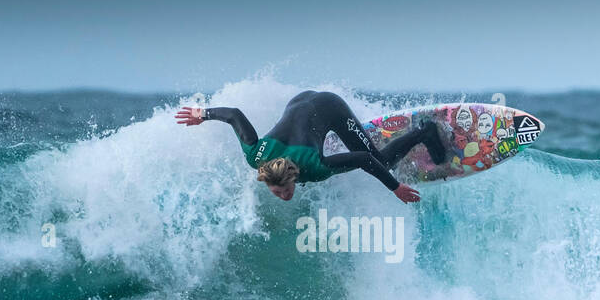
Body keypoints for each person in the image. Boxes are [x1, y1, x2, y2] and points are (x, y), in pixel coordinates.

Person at [177, 90, 447, 203]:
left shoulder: (316, 166)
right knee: (321, 137)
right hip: (300, 100)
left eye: (283, 189)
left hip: (329, 107)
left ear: (293, 176)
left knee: (382, 161)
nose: (282, 195)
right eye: (276, 190)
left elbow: (364, 159)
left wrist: (395, 188)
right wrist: (203, 115)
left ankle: (426, 132)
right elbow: (234, 115)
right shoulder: (254, 155)